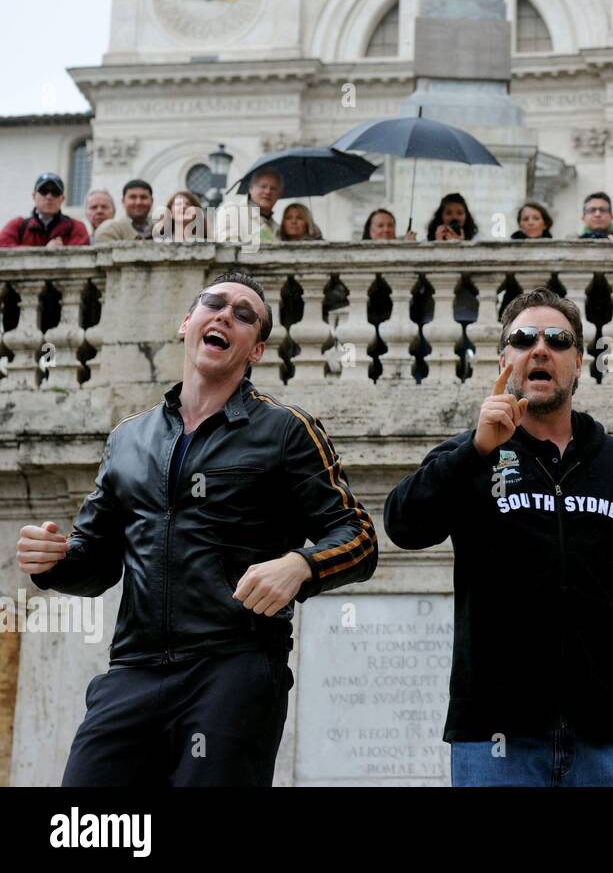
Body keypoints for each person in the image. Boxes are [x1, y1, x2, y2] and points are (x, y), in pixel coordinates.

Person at [15, 271, 378, 786]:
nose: (226, 315)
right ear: (188, 322)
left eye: (246, 315)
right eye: (214, 304)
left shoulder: (286, 430)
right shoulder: (128, 439)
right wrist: (54, 562)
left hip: (231, 669)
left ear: (255, 351)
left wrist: (301, 565)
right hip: (133, 672)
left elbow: (360, 537)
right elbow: (95, 564)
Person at [384, 288, 613, 787]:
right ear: (505, 361)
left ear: (579, 363)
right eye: (524, 339)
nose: (540, 349)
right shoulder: (469, 456)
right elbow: (404, 525)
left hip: (605, 738)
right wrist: (475, 450)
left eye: (558, 340)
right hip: (494, 736)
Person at [0, 173, 91, 247]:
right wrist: (45, 252)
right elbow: (3, 250)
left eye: (55, 192)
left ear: (62, 199)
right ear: (34, 196)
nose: (49, 197)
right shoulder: (17, 225)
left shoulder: (76, 227)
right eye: (44, 191)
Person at [247, 167, 284, 243]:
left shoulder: (279, 230)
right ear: (251, 188)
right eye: (263, 186)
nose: (268, 192)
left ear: (279, 194)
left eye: (273, 188)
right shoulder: (233, 213)